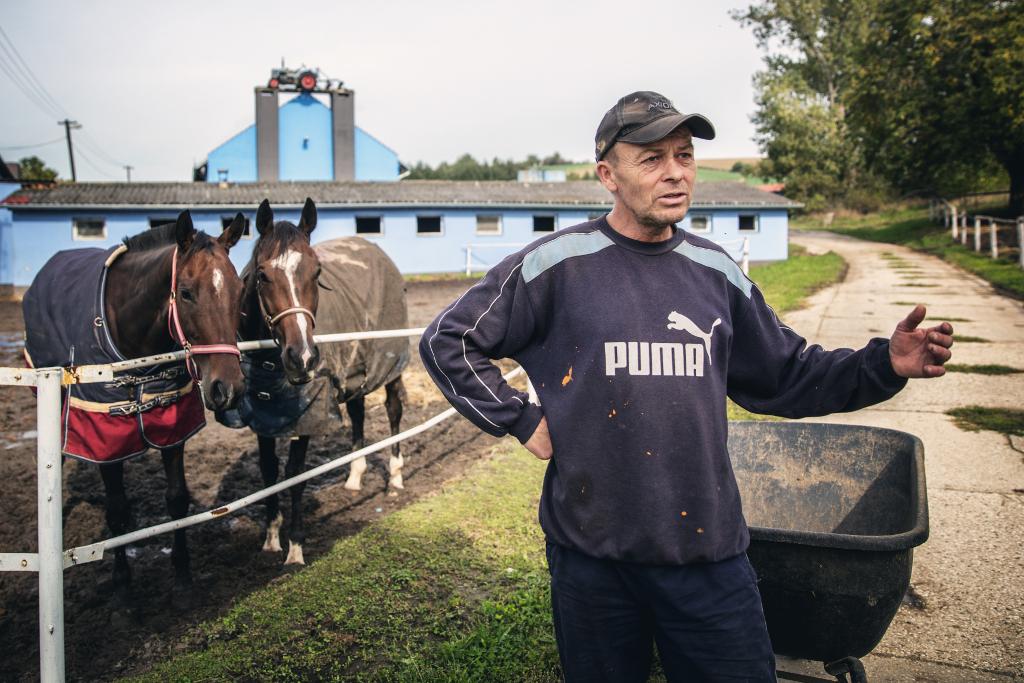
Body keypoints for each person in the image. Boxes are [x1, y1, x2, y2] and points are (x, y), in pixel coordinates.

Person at [418, 91, 953, 682]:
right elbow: (449, 338)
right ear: (608, 176)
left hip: (708, 556)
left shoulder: (715, 272)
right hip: (593, 558)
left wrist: (884, 365)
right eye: (651, 159)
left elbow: (789, 373)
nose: (674, 172)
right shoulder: (556, 266)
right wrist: (521, 419)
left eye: (684, 155)